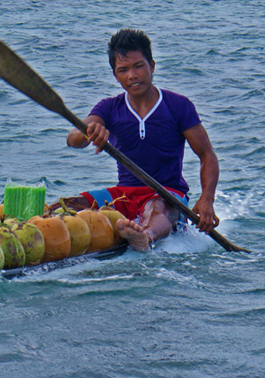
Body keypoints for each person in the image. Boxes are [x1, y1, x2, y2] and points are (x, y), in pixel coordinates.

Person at [63, 29, 220, 251]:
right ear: (115, 76)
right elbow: (73, 138)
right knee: (70, 206)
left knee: (155, 207)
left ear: (152, 66)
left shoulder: (178, 106)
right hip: (124, 193)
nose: (132, 75)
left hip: (168, 195)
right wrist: (89, 131)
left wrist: (207, 199)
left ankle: (144, 236)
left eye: (138, 66)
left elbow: (207, 155)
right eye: (123, 70)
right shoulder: (108, 108)